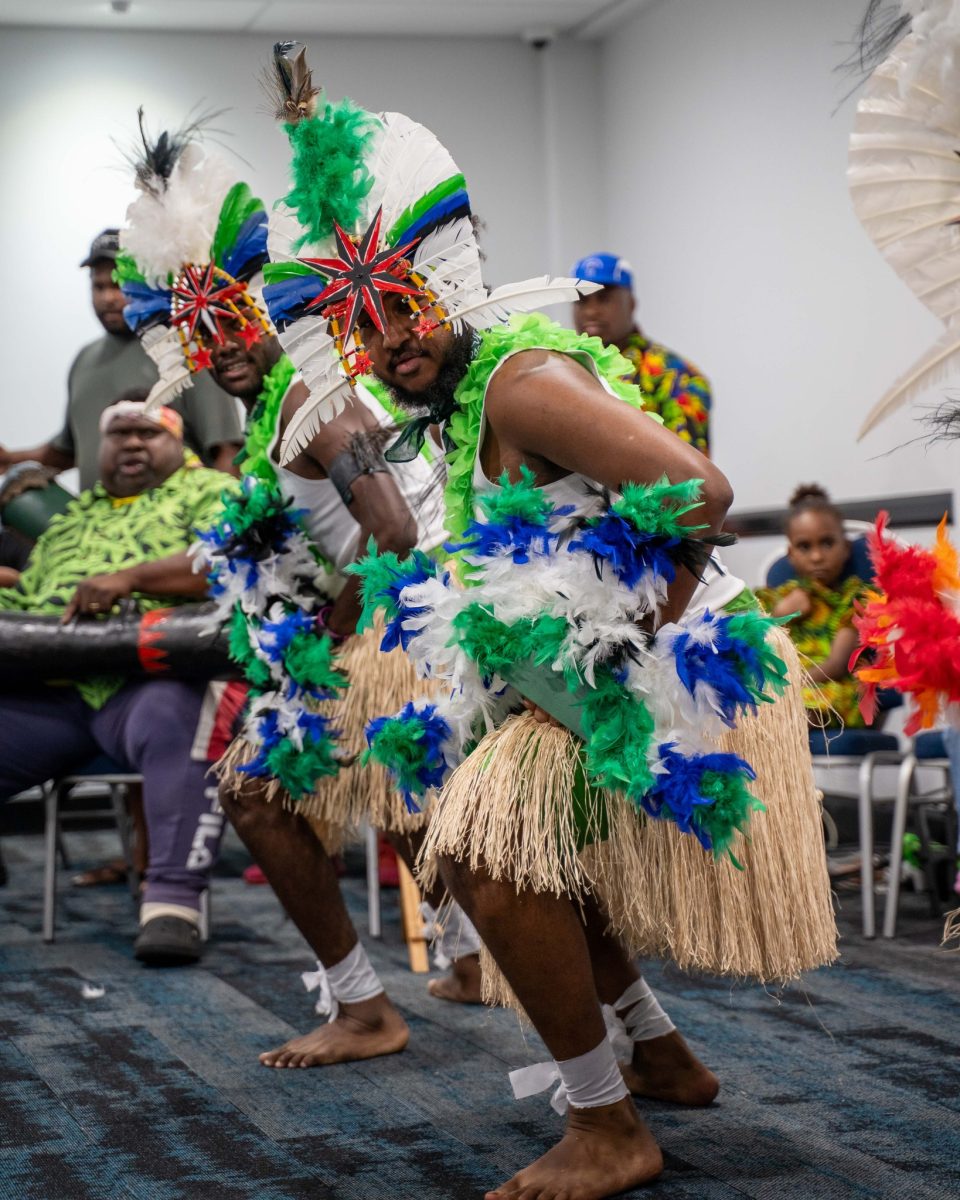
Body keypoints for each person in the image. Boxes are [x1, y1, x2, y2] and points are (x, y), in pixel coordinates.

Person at [264, 44, 835, 1200]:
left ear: (448, 288)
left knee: (482, 853)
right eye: (367, 332)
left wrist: (629, 658)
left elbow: (704, 494)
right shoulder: (449, 408)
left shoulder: (522, 379)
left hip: (682, 672)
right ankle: (658, 1054)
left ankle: (607, 1125)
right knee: (497, 849)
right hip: (584, 674)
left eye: (406, 310)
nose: (391, 340)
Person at [114, 119, 484, 1066]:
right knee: (412, 793)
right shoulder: (276, 405)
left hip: (415, 617)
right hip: (421, 616)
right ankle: (475, 957)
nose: (221, 343)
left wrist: (337, 632)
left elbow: (395, 528)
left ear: (266, 307)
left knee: (253, 790)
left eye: (233, 316)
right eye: (197, 329)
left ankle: (365, 1009)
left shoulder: (308, 399)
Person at [0, 398, 238, 963]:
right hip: (54, 691)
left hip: (148, 684)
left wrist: (129, 577)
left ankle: (172, 905)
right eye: (119, 433)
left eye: (148, 433)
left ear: (179, 445)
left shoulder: (211, 492)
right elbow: (37, 598)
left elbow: (230, 560)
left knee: (175, 715)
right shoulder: (74, 514)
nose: (131, 443)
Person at [0, 229, 243, 489]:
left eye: (118, 285)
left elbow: (227, 451)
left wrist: (224, 523)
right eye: (99, 286)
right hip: (98, 525)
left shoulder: (186, 349)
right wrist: (11, 460)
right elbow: (71, 451)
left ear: (146, 282)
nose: (107, 298)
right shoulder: (84, 360)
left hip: (178, 525)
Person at [571, 252, 712, 455]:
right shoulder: (566, 368)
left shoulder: (676, 375)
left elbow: (690, 475)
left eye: (604, 298)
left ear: (631, 304)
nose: (591, 311)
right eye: (581, 300)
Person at [757, 485, 869, 736]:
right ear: (791, 555)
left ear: (846, 548)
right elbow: (756, 645)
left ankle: (782, 727)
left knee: (797, 710)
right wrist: (780, 614)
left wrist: (791, 686)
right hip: (786, 688)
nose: (817, 556)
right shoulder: (780, 598)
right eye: (805, 547)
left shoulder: (853, 601)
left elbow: (837, 664)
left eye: (827, 543)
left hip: (830, 686)